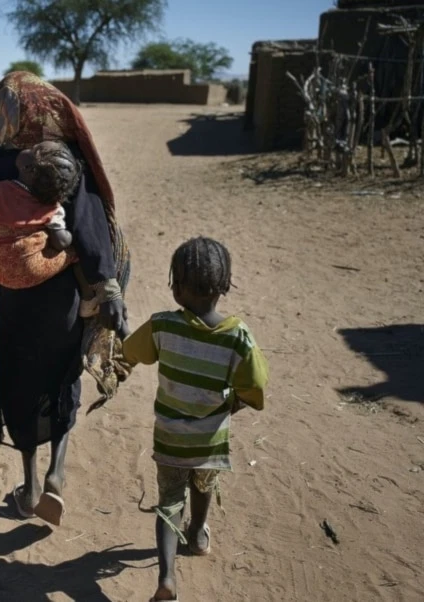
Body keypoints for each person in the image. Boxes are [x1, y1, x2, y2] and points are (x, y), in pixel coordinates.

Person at [0, 72, 131, 527]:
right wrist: (107, 290)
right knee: (62, 379)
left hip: (16, 303)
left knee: (20, 382)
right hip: (64, 299)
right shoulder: (69, 161)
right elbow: (94, 228)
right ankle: (57, 475)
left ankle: (29, 488)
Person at [121, 237, 269, 602]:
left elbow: (131, 352)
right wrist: (233, 403)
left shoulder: (163, 327)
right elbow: (255, 388)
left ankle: (168, 577)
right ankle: (199, 532)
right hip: (209, 439)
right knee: (203, 485)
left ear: (178, 288)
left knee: (169, 501)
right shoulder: (238, 337)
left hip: (170, 437)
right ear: (223, 285)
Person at [0, 140, 81, 292]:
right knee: (75, 253)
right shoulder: (50, 207)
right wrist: (68, 239)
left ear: (28, 169)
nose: (28, 146)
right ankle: (89, 296)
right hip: (30, 271)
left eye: (33, 149)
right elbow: (60, 243)